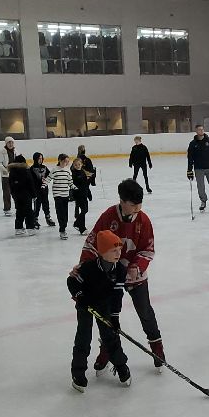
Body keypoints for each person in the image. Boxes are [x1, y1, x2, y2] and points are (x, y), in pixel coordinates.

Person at [82, 178, 166, 370]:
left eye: (140, 204)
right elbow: (92, 244)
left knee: (145, 312)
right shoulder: (108, 216)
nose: (138, 208)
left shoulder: (143, 220)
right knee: (109, 317)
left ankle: (157, 349)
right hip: (109, 277)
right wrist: (84, 269)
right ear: (122, 201)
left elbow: (148, 249)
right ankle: (107, 350)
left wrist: (137, 266)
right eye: (133, 204)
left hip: (135, 277)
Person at [67, 229, 131, 391]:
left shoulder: (120, 270)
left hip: (104, 305)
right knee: (83, 337)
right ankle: (78, 372)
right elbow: (72, 282)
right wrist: (80, 296)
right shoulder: (88, 268)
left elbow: (117, 294)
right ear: (102, 252)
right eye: (114, 250)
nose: (118, 253)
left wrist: (115, 317)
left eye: (119, 250)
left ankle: (122, 366)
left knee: (111, 336)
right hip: (85, 304)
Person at [8, 155, 39, 235]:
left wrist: (13, 194)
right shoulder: (26, 170)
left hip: (16, 195)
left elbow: (10, 185)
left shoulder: (11, 171)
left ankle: (18, 228)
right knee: (29, 211)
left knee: (19, 210)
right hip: (26, 194)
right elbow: (30, 183)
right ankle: (31, 228)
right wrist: (34, 194)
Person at [51, 154, 75, 238]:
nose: (67, 163)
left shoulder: (68, 170)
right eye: (65, 161)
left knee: (65, 213)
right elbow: (48, 178)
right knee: (60, 211)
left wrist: (74, 187)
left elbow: (70, 182)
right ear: (60, 161)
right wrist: (43, 185)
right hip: (57, 194)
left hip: (65, 194)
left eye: (68, 162)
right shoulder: (54, 170)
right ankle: (62, 230)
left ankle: (63, 226)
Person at [70, 153, 93, 235]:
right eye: (75, 165)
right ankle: (81, 227)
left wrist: (89, 194)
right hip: (78, 195)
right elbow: (76, 184)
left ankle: (79, 225)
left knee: (85, 210)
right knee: (84, 210)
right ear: (73, 165)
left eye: (79, 164)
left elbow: (86, 185)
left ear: (82, 164)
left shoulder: (82, 172)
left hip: (84, 194)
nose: (77, 166)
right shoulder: (74, 174)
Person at [32, 153, 56, 227]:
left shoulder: (44, 167)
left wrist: (46, 179)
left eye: (41, 158)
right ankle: (35, 219)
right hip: (36, 190)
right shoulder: (32, 169)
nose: (40, 160)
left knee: (46, 204)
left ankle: (48, 217)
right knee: (37, 205)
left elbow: (49, 176)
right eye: (39, 158)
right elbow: (31, 180)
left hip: (44, 190)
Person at [0, 137, 18, 217]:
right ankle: (7, 209)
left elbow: (19, 160)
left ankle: (18, 207)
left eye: (12, 142)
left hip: (15, 175)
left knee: (16, 192)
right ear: (6, 143)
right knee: (6, 193)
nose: (10, 144)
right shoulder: (2, 152)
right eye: (9, 142)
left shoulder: (16, 151)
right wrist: (4, 169)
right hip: (6, 176)